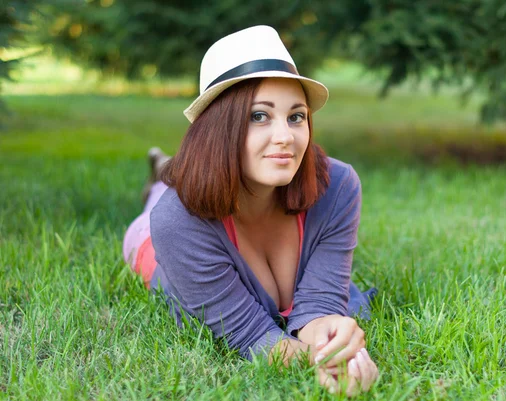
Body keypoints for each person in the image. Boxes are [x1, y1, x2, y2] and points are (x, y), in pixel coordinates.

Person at [123, 25, 379, 396]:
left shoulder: (337, 186)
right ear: (218, 128)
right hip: (154, 242)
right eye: (259, 116)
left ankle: (167, 168)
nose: (286, 137)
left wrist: (339, 352)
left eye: (296, 117)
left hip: (213, 185)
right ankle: (162, 177)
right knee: (161, 204)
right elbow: (253, 336)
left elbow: (320, 304)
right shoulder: (174, 223)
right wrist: (317, 362)